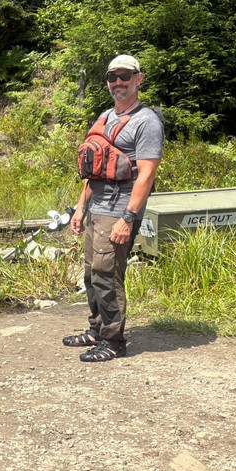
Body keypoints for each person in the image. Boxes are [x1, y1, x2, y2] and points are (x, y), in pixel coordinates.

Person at [64, 54, 163, 362]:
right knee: (92, 274)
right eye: (112, 77)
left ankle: (114, 341)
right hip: (96, 208)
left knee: (108, 275)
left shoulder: (146, 122)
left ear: (138, 79)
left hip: (121, 209)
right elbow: (93, 168)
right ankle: (96, 329)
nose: (118, 82)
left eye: (125, 76)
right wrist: (81, 208)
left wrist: (128, 219)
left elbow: (146, 175)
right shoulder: (105, 117)